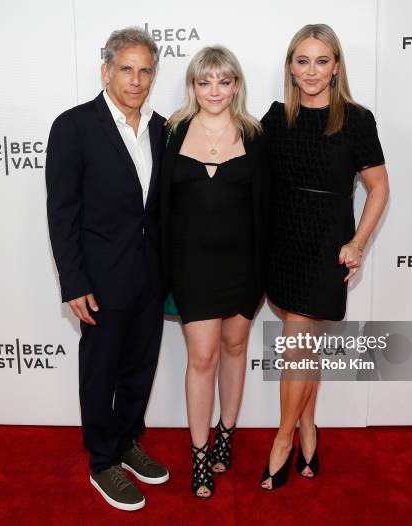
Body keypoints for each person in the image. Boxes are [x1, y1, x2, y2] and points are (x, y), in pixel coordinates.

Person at [259, 24, 390, 490]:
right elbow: (228, 142)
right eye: (302, 61)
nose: (311, 70)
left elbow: (378, 188)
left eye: (321, 60)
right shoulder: (275, 119)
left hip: (327, 245)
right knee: (305, 347)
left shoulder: (356, 119)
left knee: (296, 349)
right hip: (283, 242)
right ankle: (309, 427)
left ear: (336, 66)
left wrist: (358, 241)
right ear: (290, 68)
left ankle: (282, 438)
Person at [45, 27, 169, 511]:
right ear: (106, 70)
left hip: (150, 277)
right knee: (100, 371)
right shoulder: (74, 126)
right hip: (98, 281)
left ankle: (127, 441)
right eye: (126, 69)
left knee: (140, 367)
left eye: (145, 71)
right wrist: (73, 281)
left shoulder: (162, 129)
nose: (136, 80)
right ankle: (102, 461)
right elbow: (62, 213)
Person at [160, 46, 268, 498]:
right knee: (202, 357)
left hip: (244, 266)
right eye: (204, 82)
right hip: (192, 267)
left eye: (224, 81)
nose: (214, 91)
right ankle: (200, 453)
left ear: (236, 85)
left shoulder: (256, 134)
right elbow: (159, 208)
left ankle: (227, 430)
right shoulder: (172, 131)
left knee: (235, 346)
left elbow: (268, 207)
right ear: (193, 86)